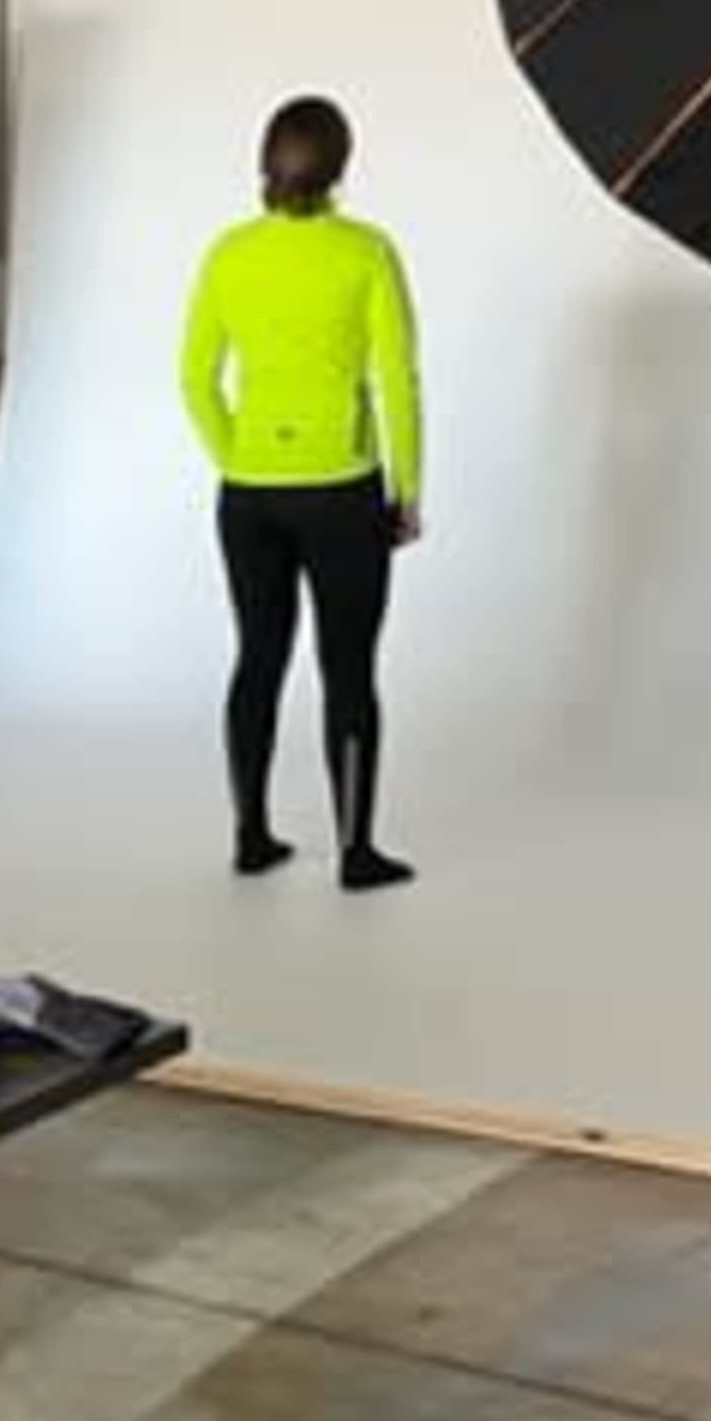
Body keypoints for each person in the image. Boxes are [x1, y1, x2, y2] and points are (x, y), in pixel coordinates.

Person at [178, 93, 425, 892]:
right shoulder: (366, 253)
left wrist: (237, 453)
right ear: (340, 170)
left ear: (265, 163)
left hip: (248, 497)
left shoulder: (228, 253)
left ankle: (251, 836)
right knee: (347, 671)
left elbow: (194, 378)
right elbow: (397, 381)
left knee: (258, 658)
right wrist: (407, 488)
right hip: (341, 495)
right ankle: (356, 852)